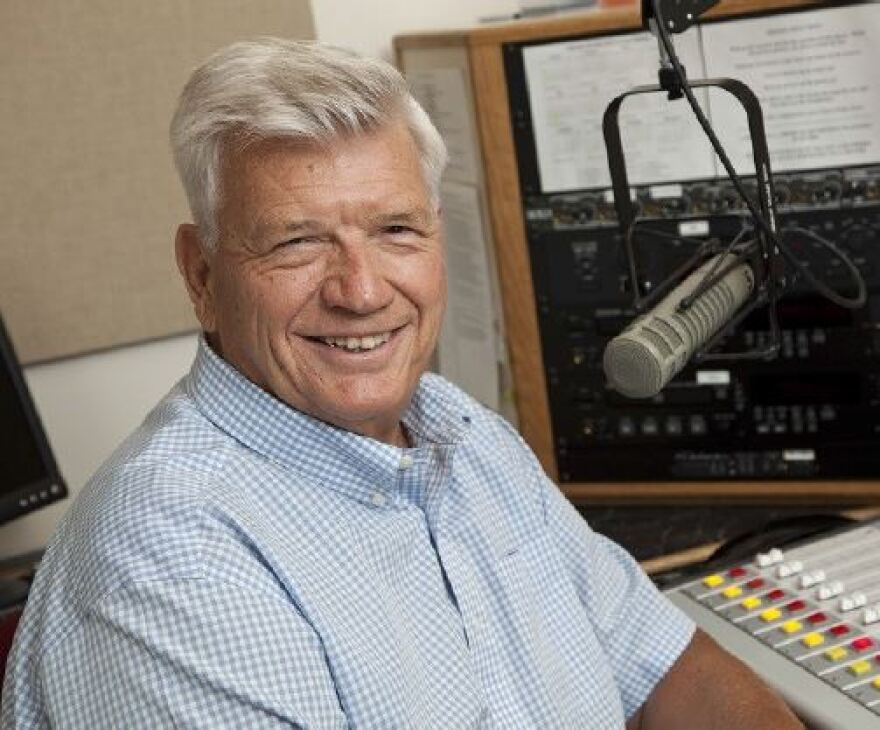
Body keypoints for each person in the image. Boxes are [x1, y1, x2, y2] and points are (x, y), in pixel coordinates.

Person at [2, 38, 802, 729]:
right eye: (297, 242)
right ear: (201, 273)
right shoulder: (169, 557)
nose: (361, 290)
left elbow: (665, 667)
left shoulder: (463, 433)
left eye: (395, 231)